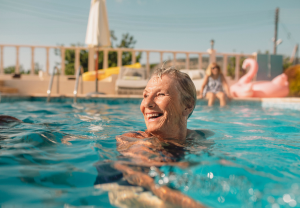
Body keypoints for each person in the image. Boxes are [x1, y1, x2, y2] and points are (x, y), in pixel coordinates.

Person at [111, 66, 208, 208]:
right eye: (145, 95)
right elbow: (140, 178)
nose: (147, 103)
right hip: (127, 191)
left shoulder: (198, 138)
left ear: (187, 106)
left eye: (160, 94)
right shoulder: (136, 140)